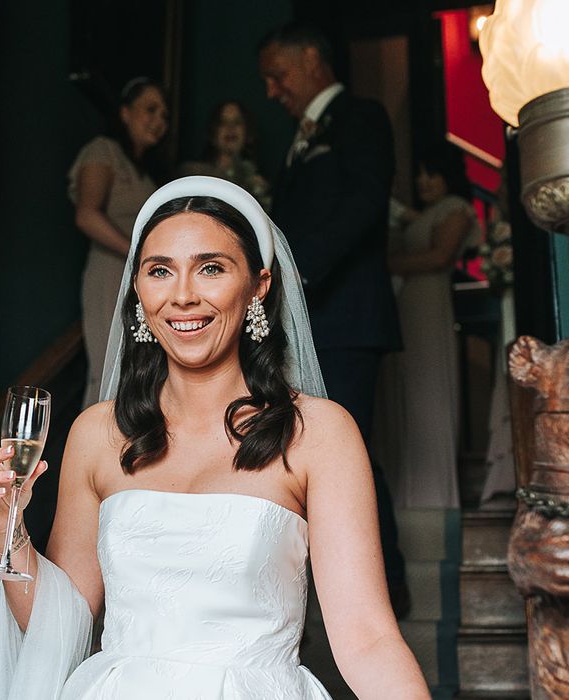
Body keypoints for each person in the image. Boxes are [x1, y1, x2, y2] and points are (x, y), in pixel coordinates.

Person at [0, 176, 430, 699]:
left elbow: (367, 639)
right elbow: (58, 627)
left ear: (259, 285)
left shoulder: (317, 434)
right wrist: (9, 528)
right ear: (138, 292)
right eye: (160, 271)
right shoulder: (97, 433)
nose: (183, 295)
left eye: (210, 268)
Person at [257, 22, 407, 611]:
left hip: (344, 318)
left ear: (313, 58)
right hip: (305, 322)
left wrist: (291, 278)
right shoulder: (299, 138)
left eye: (277, 75)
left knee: (351, 451)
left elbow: (364, 206)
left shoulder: (362, 117)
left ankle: (383, 591)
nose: (271, 90)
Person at [373, 142, 481, 509]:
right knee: (405, 387)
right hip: (406, 305)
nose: (423, 181)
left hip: (430, 304)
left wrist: (385, 264)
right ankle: (405, 494)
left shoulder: (456, 210)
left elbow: (438, 256)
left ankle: (434, 497)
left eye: (430, 173)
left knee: (428, 390)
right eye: (418, 174)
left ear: (448, 175)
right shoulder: (420, 214)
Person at [69, 76, 169, 407]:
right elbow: (86, 215)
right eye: (150, 110)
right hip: (111, 271)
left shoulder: (148, 174)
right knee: (108, 366)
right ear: (125, 112)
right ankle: (92, 454)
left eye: (164, 116)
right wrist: (139, 253)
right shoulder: (103, 151)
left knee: (139, 369)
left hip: (143, 278)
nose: (158, 121)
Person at [179, 100, 271, 210]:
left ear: (247, 133)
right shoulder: (193, 174)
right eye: (223, 122)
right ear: (213, 132)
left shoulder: (256, 184)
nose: (230, 128)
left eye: (237, 122)